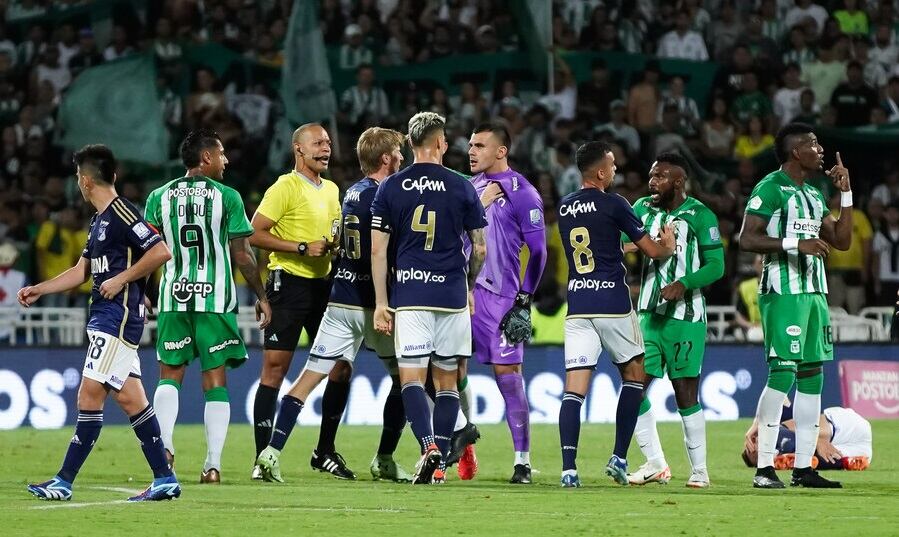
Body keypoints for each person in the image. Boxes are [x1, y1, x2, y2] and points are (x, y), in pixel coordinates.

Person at [19, 145, 178, 501]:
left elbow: (160, 251)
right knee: (132, 399)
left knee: (89, 395)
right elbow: (81, 272)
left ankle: (63, 480)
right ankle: (164, 478)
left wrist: (123, 281)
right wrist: (39, 289)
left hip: (115, 320)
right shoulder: (99, 220)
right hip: (109, 319)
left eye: (78, 177)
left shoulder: (122, 213)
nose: (78, 183)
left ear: (86, 180)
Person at [255, 127, 412, 484]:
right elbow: (380, 249)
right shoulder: (385, 194)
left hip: (337, 296)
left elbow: (346, 238)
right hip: (368, 302)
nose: (402, 160)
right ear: (386, 158)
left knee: (311, 377)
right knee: (405, 378)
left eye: (328, 143)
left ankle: (275, 452)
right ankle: (385, 458)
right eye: (398, 155)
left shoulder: (347, 191)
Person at [144, 129, 272, 484]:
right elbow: (243, 255)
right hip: (214, 299)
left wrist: (142, 290)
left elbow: (148, 251)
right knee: (214, 380)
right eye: (222, 154)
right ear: (206, 158)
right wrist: (262, 297)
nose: (226, 160)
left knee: (169, 374)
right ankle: (212, 464)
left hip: (173, 296)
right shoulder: (227, 197)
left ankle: (165, 451)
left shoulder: (158, 196)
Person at [370, 111, 487, 484]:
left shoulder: (390, 187)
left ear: (409, 143)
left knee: (412, 381)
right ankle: (438, 465)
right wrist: (468, 286)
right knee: (448, 382)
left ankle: (428, 448)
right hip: (451, 295)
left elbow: (377, 252)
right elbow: (480, 248)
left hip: (411, 294)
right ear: (440, 143)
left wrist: (380, 302)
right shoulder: (462, 186)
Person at [739, 122, 853, 489]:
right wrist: (795, 244)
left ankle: (804, 467)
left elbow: (842, 241)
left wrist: (846, 195)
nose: (820, 149)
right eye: (812, 143)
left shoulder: (815, 194)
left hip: (815, 292)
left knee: (812, 377)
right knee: (783, 373)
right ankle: (765, 469)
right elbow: (747, 238)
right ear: (794, 152)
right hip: (783, 292)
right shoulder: (770, 188)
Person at [556, 141, 674, 488]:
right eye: (613, 164)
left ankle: (568, 469)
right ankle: (619, 457)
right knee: (635, 375)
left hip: (578, 305)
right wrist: (666, 247)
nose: (616, 170)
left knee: (573, 391)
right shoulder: (615, 204)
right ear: (601, 172)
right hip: (612, 303)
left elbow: (598, 244)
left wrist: (623, 246)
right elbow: (652, 250)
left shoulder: (563, 208)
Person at [249, 124, 347, 479]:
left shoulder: (333, 189)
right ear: (298, 149)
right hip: (288, 285)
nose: (326, 148)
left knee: (341, 368)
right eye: (318, 143)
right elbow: (255, 233)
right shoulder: (284, 187)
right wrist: (302, 248)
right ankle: (262, 459)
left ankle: (325, 451)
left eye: (328, 143)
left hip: (324, 286)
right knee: (274, 370)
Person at [622, 153, 725, 489]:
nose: (653, 183)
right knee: (634, 388)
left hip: (686, 317)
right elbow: (624, 242)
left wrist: (684, 284)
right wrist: (626, 246)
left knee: (685, 393)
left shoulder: (699, 214)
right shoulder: (641, 209)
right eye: (651, 176)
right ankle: (655, 463)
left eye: (660, 177)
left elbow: (716, 265)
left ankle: (699, 471)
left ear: (678, 181)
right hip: (649, 316)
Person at [454, 121, 547, 484]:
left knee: (509, 379)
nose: (471, 151)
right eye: (470, 145)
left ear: (501, 151)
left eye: (479, 145)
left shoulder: (523, 192)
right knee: (449, 374)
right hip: (459, 295)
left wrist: (524, 298)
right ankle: (464, 444)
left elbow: (538, 251)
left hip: (500, 299)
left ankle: (522, 461)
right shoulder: (467, 188)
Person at [743, 403, 872, 472]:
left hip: (847, 426)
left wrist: (814, 438)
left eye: (754, 448)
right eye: (758, 459)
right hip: (857, 454)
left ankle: (806, 456)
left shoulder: (777, 425)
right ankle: (843, 463)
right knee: (805, 456)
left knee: (786, 435)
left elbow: (777, 397)